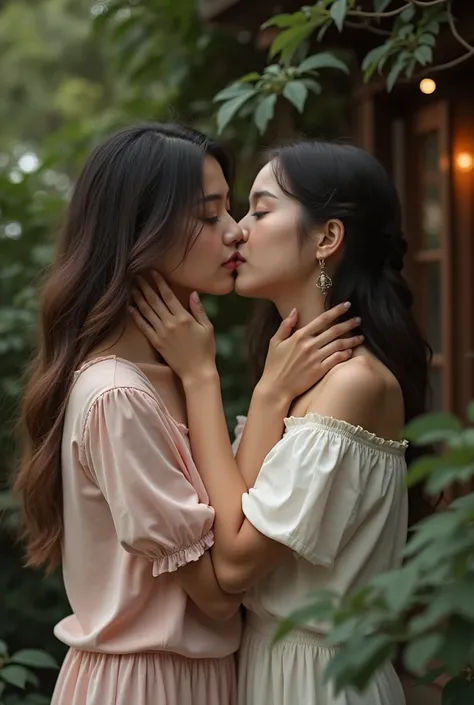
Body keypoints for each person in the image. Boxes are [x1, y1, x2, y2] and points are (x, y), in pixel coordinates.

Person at [13, 125, 363, 705]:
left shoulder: (168, 374)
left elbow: (234, 515)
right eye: (210, 216)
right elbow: (219, 593)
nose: (235, 234)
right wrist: (266, 395)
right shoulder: (117, 396)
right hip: (147, 684)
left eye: (233, 210)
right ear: (140, 232)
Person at [131, 140, 431, 705]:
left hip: (318, 683)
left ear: (327, 238)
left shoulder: (354, 383)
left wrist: (200, 378)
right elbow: (238, 510)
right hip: (271, 669)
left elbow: (236, 558)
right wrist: (268, 395)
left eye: (260, 210)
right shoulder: (292, 373)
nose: (239, 230)